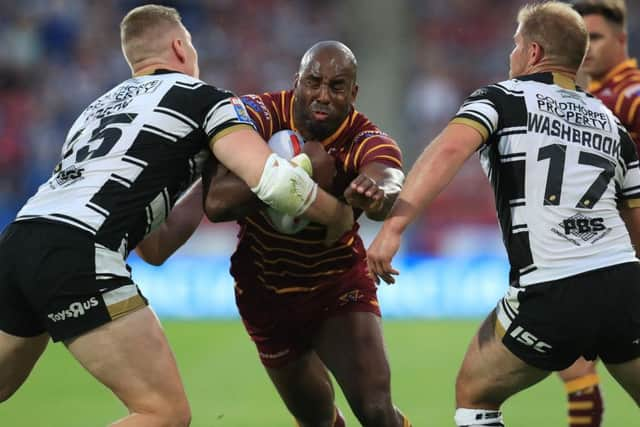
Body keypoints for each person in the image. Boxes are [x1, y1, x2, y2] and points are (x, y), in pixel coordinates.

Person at [0, 5, 353, 426]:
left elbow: (154, 245)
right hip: (79, 248)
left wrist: (206, 180)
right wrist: (337, 215)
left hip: (18, 241)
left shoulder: (93, 112)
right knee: (164, 413)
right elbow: (274, 182)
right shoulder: (205, 100)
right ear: (179, 46)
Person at [367, 2, 640, 426]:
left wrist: (394, 226)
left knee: (475, 392)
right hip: (625, 282)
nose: (510, 55)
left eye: (515, 45)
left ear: (533, 52)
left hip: (552, 286)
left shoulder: (502, 98)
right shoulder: (612, 124)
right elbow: (635, 220)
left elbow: (449, 149)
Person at [138, 41, 411, 427]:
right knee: (317, 420)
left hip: (335, 285)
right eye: (314, 82)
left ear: (354, 93)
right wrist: (300, 167)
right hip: (265, 292)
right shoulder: (258, 114)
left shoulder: (362, 138)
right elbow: (216, 202)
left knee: (376, 410)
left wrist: (378, 192)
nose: (322, 95)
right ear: (297, 81)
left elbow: (388, 178)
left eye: (337, 86)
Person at [551, 1, 640, 426]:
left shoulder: (629, 93)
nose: (587, 49)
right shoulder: (586, 97)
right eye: (582, 40)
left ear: (622, 41)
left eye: (598, 38)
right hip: (601, 253)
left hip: (623, 254)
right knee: (573, 360)